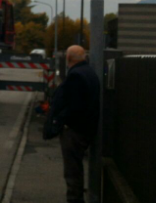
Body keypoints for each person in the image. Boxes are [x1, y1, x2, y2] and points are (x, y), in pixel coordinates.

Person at [48, 45, 100, 203]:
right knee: (75, 169)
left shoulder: (76, 76)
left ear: (68, 59)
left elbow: (74, 106)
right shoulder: (89, 73)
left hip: (75, 131)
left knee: (72, 171)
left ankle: (75, 200)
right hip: (85, 128)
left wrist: (62, 121)